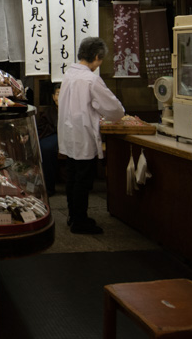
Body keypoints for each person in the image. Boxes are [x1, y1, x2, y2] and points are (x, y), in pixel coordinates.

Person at [58, 37, 125, 235]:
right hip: (83, 134)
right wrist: (117, 115)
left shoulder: (69, 74)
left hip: (69, 133)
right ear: (96, 57)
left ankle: (73, 215)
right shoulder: (90, 79)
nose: (99, 64)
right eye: (100, 59)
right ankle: (80, 221)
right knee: (83, 180)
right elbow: (113, 108)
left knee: (72, 176)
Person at [37, 83, 61, 196]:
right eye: (58, 94)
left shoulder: (73, 110)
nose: (60, 97)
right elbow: (42, 128)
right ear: (53, 97)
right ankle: (48, 187)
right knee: (45, 147)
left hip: (70, 135)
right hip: (53, 135)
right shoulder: (49, 111)